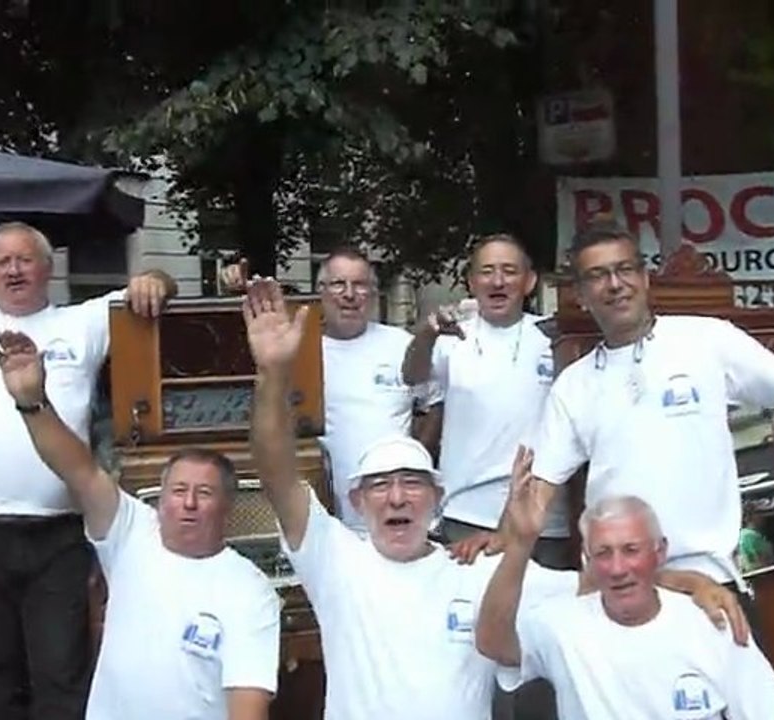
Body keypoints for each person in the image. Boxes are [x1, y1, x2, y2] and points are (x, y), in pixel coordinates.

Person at [242, 277, 738, 720]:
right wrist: (274, 376)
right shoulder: (335, 558)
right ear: (358, 498)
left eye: (413, 483)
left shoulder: (476, 570)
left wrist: (691, 582)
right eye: (381, 484)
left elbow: (598, 584)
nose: (397, 497)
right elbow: (276, 470)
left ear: (438, 498)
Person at [0, 96, 178, 720]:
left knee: (61, 680)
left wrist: (156, 279)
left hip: (57, 535)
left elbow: (160, 285)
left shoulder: (83, 321)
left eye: (28, 259)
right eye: (3, 262)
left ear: (50, 270)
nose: (16, 269)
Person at [526, 218, 774, 621]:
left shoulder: (707, 339)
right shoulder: (572, 385)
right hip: (622, 588)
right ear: (581, 294)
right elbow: (537, 491)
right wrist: (501, 541)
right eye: (597, 275)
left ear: (644, 278)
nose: (614, 284)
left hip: (713, 584)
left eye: (624, 269)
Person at [0, 330, 279, 720]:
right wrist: (31, 401)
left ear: (228, 507)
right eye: (178, 490)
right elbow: (78, 469)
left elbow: (249, 704)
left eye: (204, 493)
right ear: (160, 500)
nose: (188, 503)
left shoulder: (251, 590)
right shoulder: (131, 533)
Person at [475, 478, 774, 720]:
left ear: (660, 552)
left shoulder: (711, 623)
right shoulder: (559, 624)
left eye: (631, 550)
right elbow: (492, 642)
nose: (617, 568)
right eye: (603, 553)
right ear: (587, 559)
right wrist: (520, 543)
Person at [401, 233, 570, 567]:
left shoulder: (555, 338)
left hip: (542, 516)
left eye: (509, 271)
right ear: (471, 281)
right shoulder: (451, 338)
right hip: (467, 511)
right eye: (487, 271)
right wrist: (426, 335)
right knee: (472, 616)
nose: (497, 281)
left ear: (530, 281)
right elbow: (412, 376)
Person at [317, 246, 441, 532]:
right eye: (338, 284)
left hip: (397, 514)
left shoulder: (401, 345)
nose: (349, 294)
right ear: (321, 292)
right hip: (328, 518)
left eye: (360, 285)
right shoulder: (303, 354)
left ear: (374, 294)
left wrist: (413, 460)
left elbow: (435, 405)